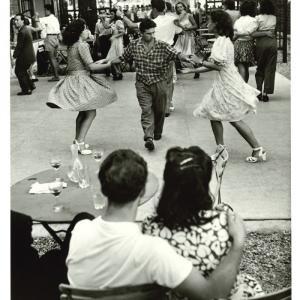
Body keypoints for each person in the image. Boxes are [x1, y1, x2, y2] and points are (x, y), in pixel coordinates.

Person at [66, 148, 247, 300]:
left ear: (103, 187)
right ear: (143, 191)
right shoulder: (153, 250)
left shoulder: (80, 231)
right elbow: (211, 294)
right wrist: (237, 244)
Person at [142, 146, 264, 299]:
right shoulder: (224, 224)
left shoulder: (150, 228)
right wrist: (237, 241)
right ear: (204, 185)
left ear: (168, 183)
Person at [181, 10, 267, 163]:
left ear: (217, 25)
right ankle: (223, 150)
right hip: (226, 82)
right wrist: (194, 69)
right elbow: (215, 66)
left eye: (209, 21)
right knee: (214, 114)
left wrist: (199, 61)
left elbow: (217, 66)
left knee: (234, 118)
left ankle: (257, 149)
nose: (206, 24)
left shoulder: (221, 42)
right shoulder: (223, 40)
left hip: (227, 84)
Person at [111, 18, 191, 151]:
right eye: (149, 33)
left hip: (160, 82)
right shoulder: (134, 45)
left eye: (154, 33)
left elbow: (176, 54)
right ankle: (148, 137)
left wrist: (186, 58)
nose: (152, 35)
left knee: (160, 111)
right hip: (142, 84)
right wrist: (109, 62)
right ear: (141, 33)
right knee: (146, 110)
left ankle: (157, 131)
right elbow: (123, 58)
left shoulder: (162, 45)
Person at [46, 19, 117, 154]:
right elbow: (91, 67)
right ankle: (80, 142)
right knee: (91, 112)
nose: (87, 32)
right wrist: (108, 64)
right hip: (81, 80)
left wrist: (101, 61)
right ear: (80, 32)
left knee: (83, 112)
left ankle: (77, 141)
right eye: (85, 29)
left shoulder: (72, 45)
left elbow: (83, 63)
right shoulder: (82, 45)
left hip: (73, 79)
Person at [252, 0, 277, 102]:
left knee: (260, 67)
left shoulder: (257, 18)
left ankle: (259, 91)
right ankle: (266, 93)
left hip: (261, 44)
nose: (257, 6)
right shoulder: (274, 18)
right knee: (270, 68)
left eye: (259, 5)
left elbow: (253, 33)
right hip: (272, 43)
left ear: (262, 7)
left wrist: (264, 32)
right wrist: (268, 32)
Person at [234, 0, 258, 82]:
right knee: (246, 66)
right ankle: (244, 86)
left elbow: (235, 32)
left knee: (240, 66)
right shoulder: (253, 20)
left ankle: (242, 86)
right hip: (248, 43)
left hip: (238, 43)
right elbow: (251, 32)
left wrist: (238, 34)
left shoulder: (238, 20)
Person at [13, 14, 36, 96]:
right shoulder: (25, 29)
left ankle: (26, 90)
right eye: (15, 20)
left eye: (17, 20)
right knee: (22, 71)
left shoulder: (22, 32)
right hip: (29, 55)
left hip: (24, 56)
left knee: (18, 71)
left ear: (22, 20)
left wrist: (14, 56)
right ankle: (30, 85)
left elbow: (19, 46)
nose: (16, 22)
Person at [40, 4, 61, 82]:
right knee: (54, 58)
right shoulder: (55, 19)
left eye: (45, 10)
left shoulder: (48, 18)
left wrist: (36, 16)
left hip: (50, 38)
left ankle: (56, 76)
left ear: (48, 10)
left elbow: (37, 20)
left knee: (51, 58)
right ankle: (56, 75)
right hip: (56, 38)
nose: (45, 12)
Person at [106, 9, 125, 80]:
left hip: (118, 41)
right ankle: (119, 73)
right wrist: (102, 19)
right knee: (114, 58)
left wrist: (114, 36)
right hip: (114, 41)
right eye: (110, 14)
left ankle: (118, 73)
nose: (111, 15)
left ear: (116, 14)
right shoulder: (113, 22)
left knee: (111, 58)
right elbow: (106, 26)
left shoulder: (118, 21)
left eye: (112, 14)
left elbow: (123, 32)